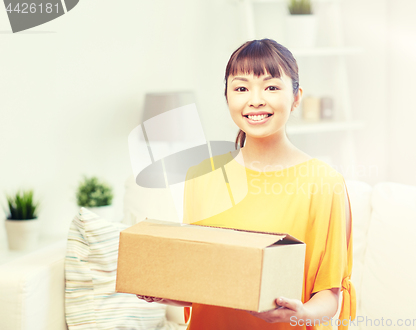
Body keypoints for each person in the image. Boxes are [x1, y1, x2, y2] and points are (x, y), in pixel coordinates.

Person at [137, 38, 356, 330]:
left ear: (296, 96)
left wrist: (298, 312)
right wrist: (166, 292)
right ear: (227, 97)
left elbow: (329, 296)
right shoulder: (200, 176)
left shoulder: (324, 183)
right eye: (241, 88)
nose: (255, 100)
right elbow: (207, 283)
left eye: (271, 87)